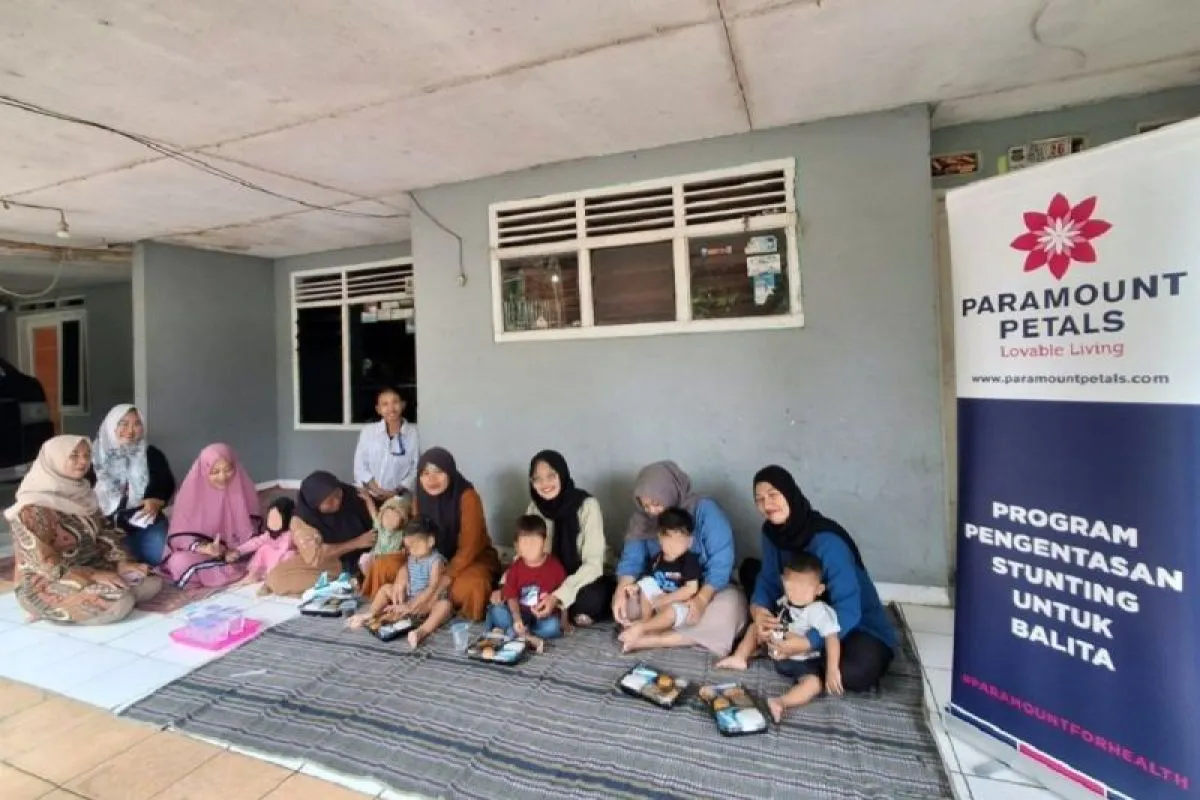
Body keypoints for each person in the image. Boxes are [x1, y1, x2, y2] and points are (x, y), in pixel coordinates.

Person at [738, 465, 897, 694]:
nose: (767, 504)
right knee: (750, 573)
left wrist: (809, 642)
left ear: (790, 494)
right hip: (800, 611)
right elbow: (770, 579)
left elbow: (849, 609)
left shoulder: (828, 542)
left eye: (773, 495)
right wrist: (759, 612)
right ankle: (803, 656)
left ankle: (807, 659)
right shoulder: (771, 533)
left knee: (855, 673)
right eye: (759, 499)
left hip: (853, 623)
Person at [5, 435, 161, 625]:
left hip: (94, 566)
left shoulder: (83, 494)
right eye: (74, 456)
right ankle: (45, 608)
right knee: (119, 602)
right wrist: (92, 576)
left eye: (87, 455)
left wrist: (122, 563)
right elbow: (44, 564)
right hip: (50, 580)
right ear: (55, 459)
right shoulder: (32, 508)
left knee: (151, 582)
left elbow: (105, 534)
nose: (83, 461)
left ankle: (106, 596)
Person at [612, 461, 746, 656]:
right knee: (629, 605)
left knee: (728, 610)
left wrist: (701, 599)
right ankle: (657, 627)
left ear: (670, 492)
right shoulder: (642, 520)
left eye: (656, 503)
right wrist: (620, 591)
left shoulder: (705, 510)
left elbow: (721, 562)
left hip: (709, 589)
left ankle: (652, 639)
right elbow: (631, 561)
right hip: (663, 587)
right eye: (645, 505)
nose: (652, 511)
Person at [359, 448, 500, 620]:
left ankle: (439, 613)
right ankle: (389, 609)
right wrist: (404, 571)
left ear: (450, 472)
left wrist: (439, 584)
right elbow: (415, 538)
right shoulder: (420, 496)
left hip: (467, 560)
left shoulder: (468, 497)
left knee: (472, 586)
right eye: (425, 473)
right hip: (426, 556)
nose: (431, 479)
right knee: (384, 565)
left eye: (438, 472)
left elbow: (470, 548)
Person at [719, 552, 843, 722]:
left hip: (801, 661)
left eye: (803, 590)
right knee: (755, 627)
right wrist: (767, 630)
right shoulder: (785, 599)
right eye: (791, 588)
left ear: (819, 589)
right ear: (783, 581)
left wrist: (832, 669)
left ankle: (781, 702)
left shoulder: (819, 611)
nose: (795, 595)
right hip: (775, 648)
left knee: (814, 684)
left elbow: (832, 638)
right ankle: (740, 657)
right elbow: (774, 617)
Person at [523, 450, 614, 626]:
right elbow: (524, 551)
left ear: (562, 475)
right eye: (537, 479)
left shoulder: (587, 506)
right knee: (525, 594)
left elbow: (593, 564)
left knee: (591, 599)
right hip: (547, 576)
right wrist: (505, 584)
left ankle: (561, 607)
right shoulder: (535, 508)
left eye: (551, 476)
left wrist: (558, 596)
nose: (545, 484)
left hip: (582, 578)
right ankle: (558, 609)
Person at [160, 444, 261, 589]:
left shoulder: (243, 488)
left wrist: (235, 550)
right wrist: (205, 548)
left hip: (237, 552)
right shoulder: (188, 495)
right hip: (203, 553)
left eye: (228, 470)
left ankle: (218, 573)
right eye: (215, 472)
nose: (222, 477)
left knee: (266, 549)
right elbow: (179, 537)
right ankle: (231, 572)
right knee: (179, 562)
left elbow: (253, 530)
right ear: (204, 471)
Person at [263, 471, 377, 596]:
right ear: (315, 504)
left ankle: (349, 582)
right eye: (330, 501)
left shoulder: (351, 494)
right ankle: (344, 584)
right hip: (333, 563)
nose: (337, 502)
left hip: (369, 556)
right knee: (277, 577)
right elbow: (316, 556)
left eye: (338, 495)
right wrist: (357, 543)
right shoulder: (301, 521)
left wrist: (371, 502)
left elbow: (382, 521)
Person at [89, 403, 176, 566]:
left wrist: (155, 500)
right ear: (111, 425)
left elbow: (166, 483)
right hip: (103, 524)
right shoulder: (93, 456)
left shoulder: (151, 454)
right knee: (100, 560)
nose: (130, 431)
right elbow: (81, 488)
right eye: (123, 424)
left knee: (159, 557)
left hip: (142, 521)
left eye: (137, 424)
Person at [348, 515, 453, 649]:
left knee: (444, 605)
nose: (411, 551)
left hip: (426, 602)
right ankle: (371, 613)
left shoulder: (436, 561)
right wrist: (403, 599)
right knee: (386, 588)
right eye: (408, 547)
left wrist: (411, 605)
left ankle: (421, 632)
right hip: (407, 597)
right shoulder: (412, 556)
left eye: (415, 546)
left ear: (430, 541)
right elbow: (405, 573)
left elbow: (432, 588)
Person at [617, 507, 702, 651]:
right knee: (645, 583)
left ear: (689, 541)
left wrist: (667, 599)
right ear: (660, 538)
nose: (674, 543)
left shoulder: (689, 560)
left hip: (680, 605)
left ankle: (644, 628)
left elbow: (691, 589)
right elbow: (650, 579)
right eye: (669, 537)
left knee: (672, 611)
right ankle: (646, 620)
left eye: (680, 538)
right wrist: (636, 587)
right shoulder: (657, 559)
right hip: (660, 601)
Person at [485, 515, 568, 652]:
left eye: (534, 542)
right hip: (519, 614)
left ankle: (515, 634)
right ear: (517, 546)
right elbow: (511, 597)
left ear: (545, 543)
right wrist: (517, 618)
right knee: (496, 611)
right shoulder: (515, 569)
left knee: (553, 626)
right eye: (524, 543)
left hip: (542, 617)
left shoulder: (555, 567)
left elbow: (563, 596)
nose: (530, 548)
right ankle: (525, 636)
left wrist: (565, 621)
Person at [353, 387, 420, 500]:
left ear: (403, 405)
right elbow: (359, 466)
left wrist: (394, 492)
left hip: (397, 497)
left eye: (395, 402)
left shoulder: (413, 434)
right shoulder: (368, 432)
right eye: (385, 404)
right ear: (378, 409)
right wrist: (376, 489)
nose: (391, 408)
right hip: (367, 494)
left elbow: (415, 469)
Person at [226, 496, 297, 585]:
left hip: (282, 563)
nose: (273, 522)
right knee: (263, 548)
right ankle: (253, 575)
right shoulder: (269, 534)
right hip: (270, 564)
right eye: (271, 518)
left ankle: (274, 576)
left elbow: (290, 548)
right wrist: (239, 550)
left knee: (290, 554)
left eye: (277, 518)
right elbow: (255, 542)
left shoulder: (292, 533)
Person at [360, 493, 411, 574]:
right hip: (376, 557)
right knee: (365, 559)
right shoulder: (380, 527)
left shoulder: (401, 533)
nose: (389, 520)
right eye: (387, 515)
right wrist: (368, 499)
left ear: (402, 521)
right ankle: (371, 576)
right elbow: (373, 512)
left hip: (390, 561)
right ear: (381, 516)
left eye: (394, 517)